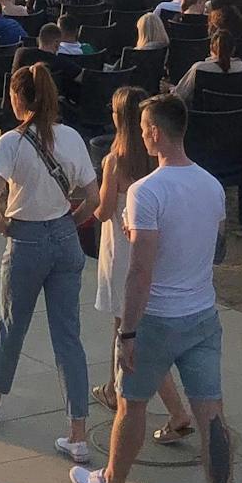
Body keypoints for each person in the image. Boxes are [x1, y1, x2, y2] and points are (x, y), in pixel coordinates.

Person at [71, 94, 236, 483]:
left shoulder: (147, 191)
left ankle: (113, 480)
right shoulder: (211, 185)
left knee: (132, 404)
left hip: (159, 317)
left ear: (155, 133)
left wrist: (127, 330)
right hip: (202, 312)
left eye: (145, 127)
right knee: (212, 417)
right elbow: (214, 247)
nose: (142, 133)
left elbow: (140, 270)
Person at [0, 65, 99, 460]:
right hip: (63, 234)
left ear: (17, 99)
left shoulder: (11, 143)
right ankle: (78, 432)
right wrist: (69, 222)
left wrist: (11, 230)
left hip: (27, 236)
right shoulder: (70, 137)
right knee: (67, 336)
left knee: (12, 323)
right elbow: (92, 195)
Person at [90, 87, 194, 437]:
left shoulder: (114, 160)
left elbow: (104, 210)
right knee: (125, 327)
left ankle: (176, 410)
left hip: (122, 252)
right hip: (154, 248)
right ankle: (111, 387)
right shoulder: (156, 157)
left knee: (131, 333)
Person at [173, 29, 242, 104]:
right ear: (233, 49)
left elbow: (180, 96)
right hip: (235, 115)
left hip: (202, 115)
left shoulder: (199, 68)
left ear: (211, 48)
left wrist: (170, 89)